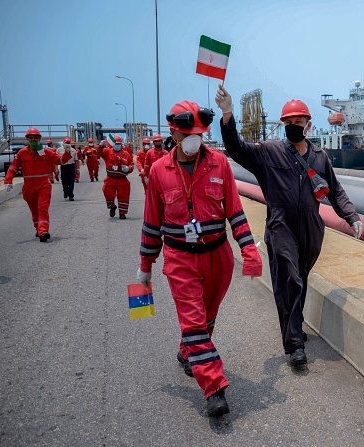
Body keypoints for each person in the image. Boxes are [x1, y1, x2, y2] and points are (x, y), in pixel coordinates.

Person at [216, 85, 363, 367]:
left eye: (298, 122)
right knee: (290, 280)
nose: (293, 126)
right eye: (289, 123)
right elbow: (236, 148)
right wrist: (227, 114)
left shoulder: (319, 156)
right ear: (282, 125)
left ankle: (294, 325)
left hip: (310, 228)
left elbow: (335, 189)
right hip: (280, 224)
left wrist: (351, 216)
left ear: (308, 125)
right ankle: (294, 344)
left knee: (300, 278)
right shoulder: (269, 152)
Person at [136, 99, 263, 417]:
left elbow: (235, 211)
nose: (194, 139)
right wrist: (144, 268)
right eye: (188, 133)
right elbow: (152, 223)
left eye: (199, 133)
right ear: (174, 133)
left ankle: (187, 351)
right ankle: (214, 387)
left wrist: (249, 251)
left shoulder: (219, 164)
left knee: (206, 318)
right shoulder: (158, 171)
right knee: (194, 322)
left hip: (219, 257)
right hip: (180, 260)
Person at [4, 127, 62, 242]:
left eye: (36, 138)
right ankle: (38, 229)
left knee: (42, 208)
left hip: (43, 185)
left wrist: (68, 152)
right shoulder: (22, 153)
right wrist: (8, 180)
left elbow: (60, 161)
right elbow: (14, 166)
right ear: (27, 139)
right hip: (29, 188)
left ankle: (43, 231)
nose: (33, 140)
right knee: (35, 212)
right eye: (31, 138)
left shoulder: (46, 152)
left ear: (39, 139)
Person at [98, 135, 134, 219]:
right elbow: (98, 153)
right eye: (115, 144)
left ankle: (122, 213)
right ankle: (112, 206)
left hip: (122, 179)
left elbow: (131, 164)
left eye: (118, 144)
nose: (117, 145)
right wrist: (100, 145)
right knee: (107, 193)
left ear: (121, 144)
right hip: (110, 178)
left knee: (123, 196)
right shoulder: (107, 152)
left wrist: (128, 169)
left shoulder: (126, 154)